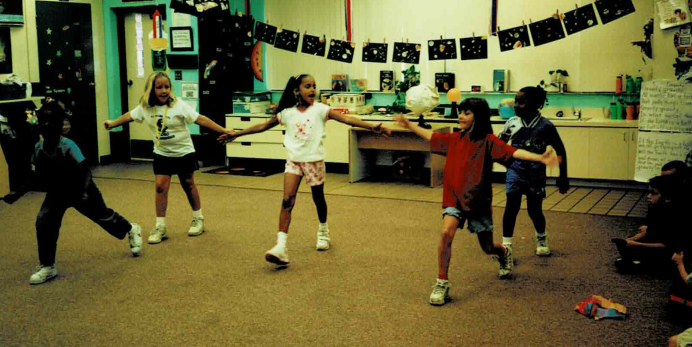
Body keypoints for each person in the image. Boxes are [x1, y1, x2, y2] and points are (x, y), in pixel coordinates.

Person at [395, 97, 559, 306]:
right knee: (446, 233)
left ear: (478, 117)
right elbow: (431, 136)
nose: (460, 116)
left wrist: (540, 158)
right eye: (460, 112)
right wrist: (409, 124)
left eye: (466, 113)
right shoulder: (454, 138)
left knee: (487, 247)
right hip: (454, 198)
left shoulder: (489, 141)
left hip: (478, 202)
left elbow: (513, 152)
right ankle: (442, 283)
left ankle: (503, 252)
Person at [220, 74, 391, 266]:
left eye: (314, 86)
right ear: (297, 91)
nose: (312, 90)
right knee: (287, 201)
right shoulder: (287, 113)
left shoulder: (321, 109)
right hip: (294, 161)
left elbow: (347, 119)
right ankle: (281, 247)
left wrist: (372, 127)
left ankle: (323, 231)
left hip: (314, 161)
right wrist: (237, 134)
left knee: (318, 198)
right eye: (307, 86)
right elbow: (263, 125)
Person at [4, 101, 143, 285]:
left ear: (60, 125)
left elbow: (85, 170)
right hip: (57, 192)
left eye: (51, 121)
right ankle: (47, 265)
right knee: (44, 221)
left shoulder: (67, 146)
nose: (46, 125)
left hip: (81, 189)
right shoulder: (39, 148)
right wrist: (18, 193)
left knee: (103, 216)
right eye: (43, 121)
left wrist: (84, 191)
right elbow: (36, 176)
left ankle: (131, 229)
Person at [104, 71, 234, 244]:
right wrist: (113, 123)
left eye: (167, 87)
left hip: (183, 152)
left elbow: (200, 119)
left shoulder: (178, 105)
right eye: (159, 87)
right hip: (162, 153)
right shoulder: (145, 107)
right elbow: (130, 116)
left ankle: (198, 219)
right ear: (151, 89)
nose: (164, 91)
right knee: (160, 187)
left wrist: (223, 130)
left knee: (188, 184)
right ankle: (160, 226)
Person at [497, 86, 569, 256]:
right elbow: (498, 145)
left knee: (534, 210)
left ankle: (541, 238)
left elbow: (560, 150)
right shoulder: (512, 123)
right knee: (511, 206)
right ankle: (506, 246)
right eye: (516, 101)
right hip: (515, 172)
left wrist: (563, 176)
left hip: (536, 175)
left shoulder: (546, 126)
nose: (516, 105)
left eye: (521, 102)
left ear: (536, 105)